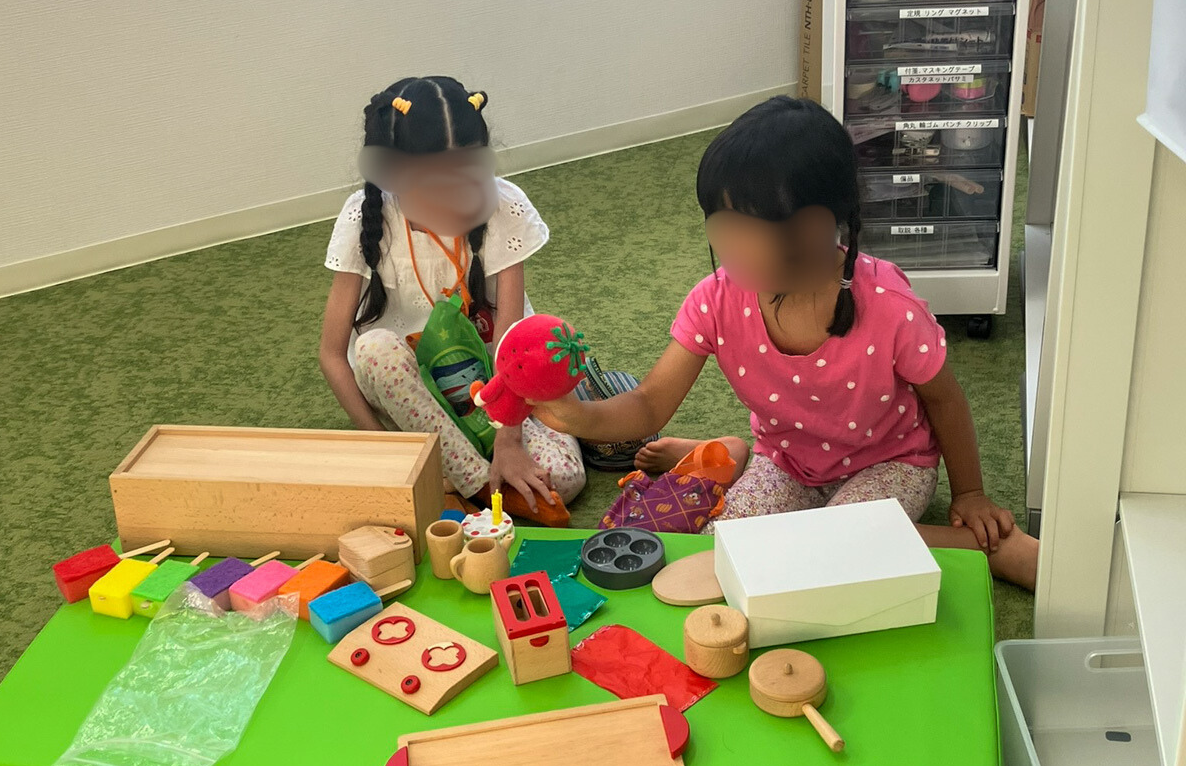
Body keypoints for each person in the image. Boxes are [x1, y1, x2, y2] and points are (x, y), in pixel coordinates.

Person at [536, 96, 1037, 588]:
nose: (733, 246)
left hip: (891, 464)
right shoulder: (716, 300)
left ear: (818, 226)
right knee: (726, 551)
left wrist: (970, 494)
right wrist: (577, 417)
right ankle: (726, 453)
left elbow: (945, 399)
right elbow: (649, 403)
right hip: (788, 462)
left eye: (754, 227)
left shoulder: (889, 306)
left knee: (834, 554)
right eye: (724, 224)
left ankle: (986, 549)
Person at [320, 76, 585, 512]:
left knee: (565, 478)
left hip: (497, 384)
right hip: (412, 390)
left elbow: (509, 342)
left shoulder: (503, 206)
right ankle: (478, 483)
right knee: (374, 350)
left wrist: (510, 442)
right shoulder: (363, 217)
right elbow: (333, 355)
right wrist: (386, 451)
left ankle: (453, 473)